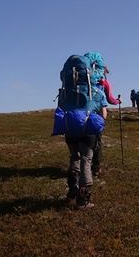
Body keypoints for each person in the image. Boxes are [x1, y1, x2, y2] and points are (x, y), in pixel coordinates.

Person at [53, 52, 109, 210]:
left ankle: (72, 191)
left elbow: (62, 109)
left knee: (74, 158)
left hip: (70, 130)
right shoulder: (97, 92)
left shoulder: (64, 92)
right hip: (88, 132)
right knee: (86, 161)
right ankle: (83, 200)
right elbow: (103, 113)